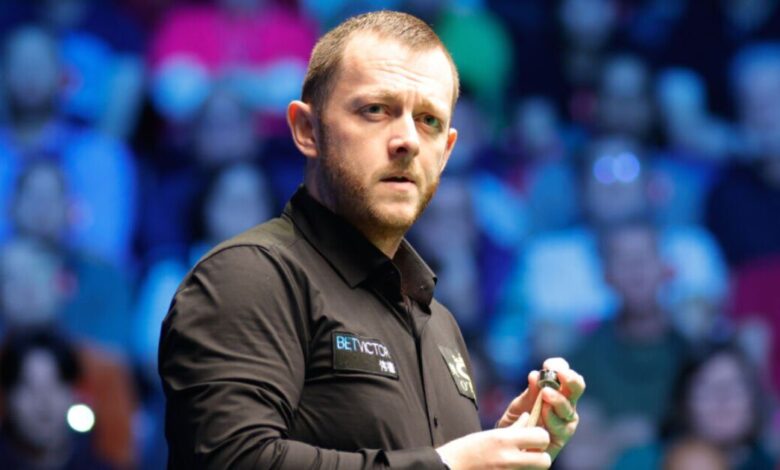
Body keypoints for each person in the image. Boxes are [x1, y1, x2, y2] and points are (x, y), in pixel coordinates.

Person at [159, 10, 585, 469]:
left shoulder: (440, 324)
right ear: (307, 130)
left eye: (429, 120)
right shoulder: (248, 275)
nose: (407, 141)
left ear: (446, 153)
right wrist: (447, 466)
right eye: (376, 110)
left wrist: (501, 455)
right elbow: (231, 460)